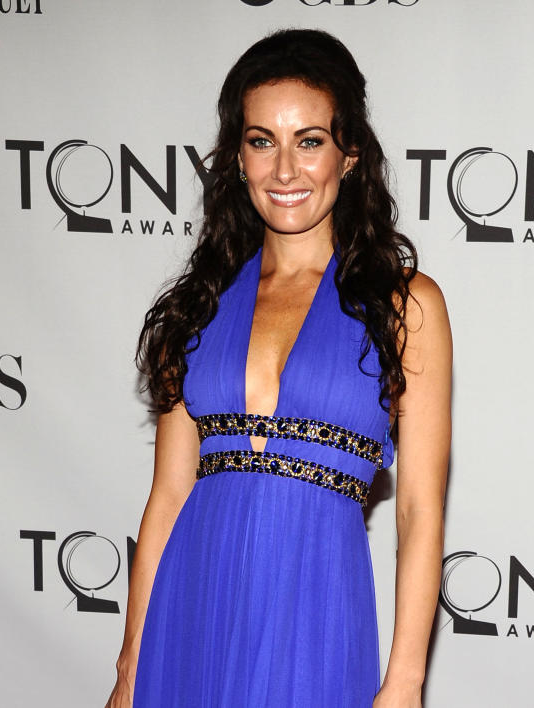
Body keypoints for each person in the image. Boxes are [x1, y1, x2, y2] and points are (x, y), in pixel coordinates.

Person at [105, 28, 452, 708]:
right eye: (262, 140)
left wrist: (405, 683)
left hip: (317, 615)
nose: (285, 169)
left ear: (349, 154)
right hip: (192, 611)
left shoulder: (407, 306)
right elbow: (169, 500)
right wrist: (128, 671)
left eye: (310, 141)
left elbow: (417, 509)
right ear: (238, 156)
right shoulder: (200, 304)